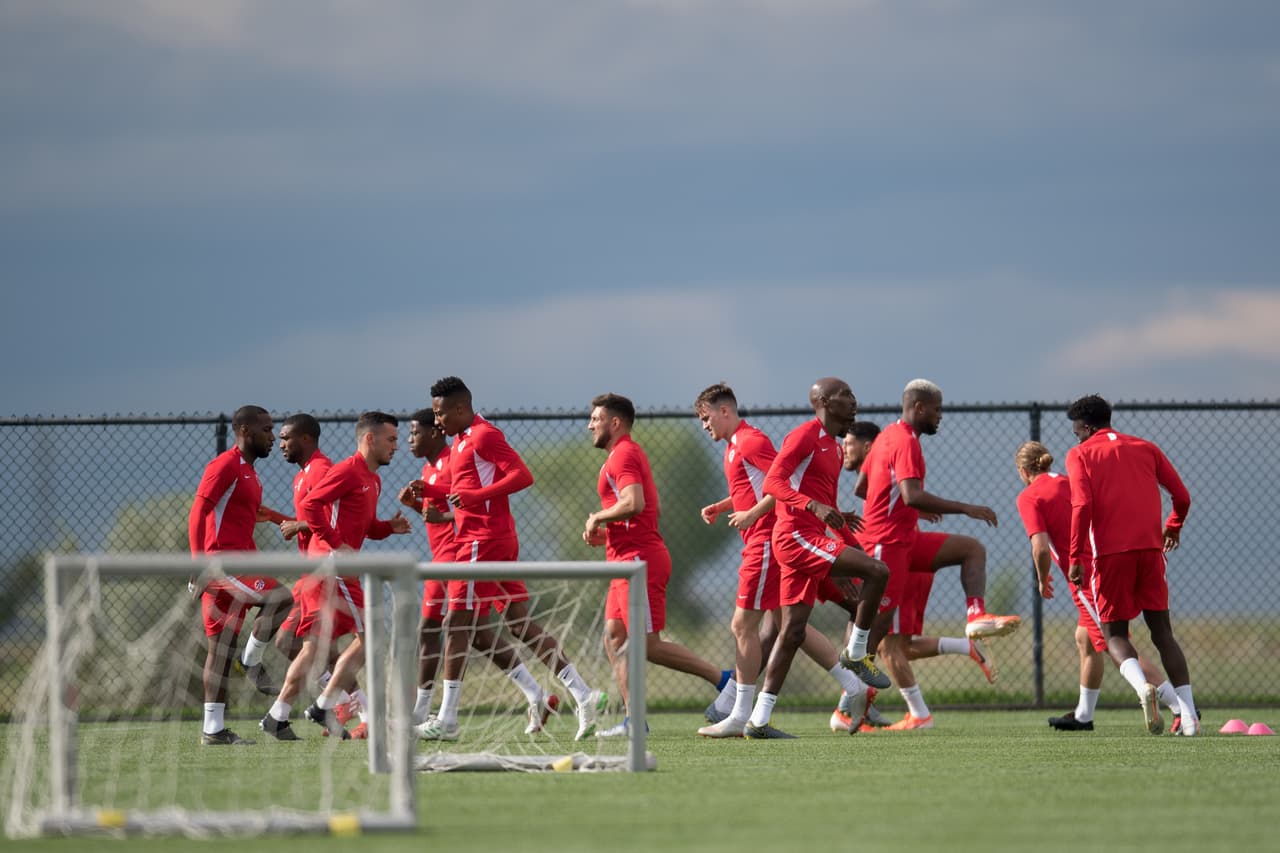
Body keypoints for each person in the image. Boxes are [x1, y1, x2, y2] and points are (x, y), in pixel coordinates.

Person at [419, 377, 606, 742]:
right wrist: (431, 490)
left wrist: (476, 497)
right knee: (518, 626)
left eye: (441, 414)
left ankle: (448, 718)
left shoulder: (484, 435)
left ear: (460, 408)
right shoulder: (460, 441)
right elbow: (465, 492)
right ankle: (584, 696)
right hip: (490, 540)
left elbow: (522, 475)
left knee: (456, 625)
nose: (436, 421)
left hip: (481, 541)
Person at [691, 383, 873, 738]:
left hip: (765, 541)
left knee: (742, 625)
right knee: (792, 627)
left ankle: (739, 713)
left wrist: (750, 516)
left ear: (724, 411)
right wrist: (726, 505)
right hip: (764, 538)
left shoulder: (751, 441)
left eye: (706, 417)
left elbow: (781, 485)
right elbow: (754, 487)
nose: (704, 425)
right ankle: (854, 686)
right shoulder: (733, 447)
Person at [852, 379, 1018, 731]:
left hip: (904, 537)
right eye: (937, 409)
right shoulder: (905, 442)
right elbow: (910, 495)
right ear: (920, 408)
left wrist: (903, 507)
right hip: (886, 543)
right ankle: (852, 695)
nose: (941, 416)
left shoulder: (886, 437)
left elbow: (862, 487)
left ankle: (976, 616)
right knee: (880, 632)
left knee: (971, 549)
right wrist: (965, 507)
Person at [739, 378, 890, 739]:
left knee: (790, 633)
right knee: (878, 572)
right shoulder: (804, 435)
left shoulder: (836, 449)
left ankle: (758, 722)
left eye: (853, 394)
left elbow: (830, 510)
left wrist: (850, 537)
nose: (853, 401)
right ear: (823, 401)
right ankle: (856, 654)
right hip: (794, 537)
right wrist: (812, 506)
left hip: (811, 538)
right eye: (845, 395)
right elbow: (773, 484)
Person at [584, 392, 736, 737]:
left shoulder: (623, 454)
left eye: (596, 418)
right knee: (614, 636)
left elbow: (634, 503)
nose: (591, 424)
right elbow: (653, 509)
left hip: (639, 561)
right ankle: (634, 720)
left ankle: (724, 681)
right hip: (624, 558)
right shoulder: (622, 456)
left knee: (646, 644)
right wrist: (609, 535)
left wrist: (598, 518)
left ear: (615, 422)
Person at [829, 423, 994, 733]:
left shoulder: (889, 453)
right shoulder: (878, 472)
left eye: (849, 442)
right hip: (886, 557)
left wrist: (915, 509)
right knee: (873, 637)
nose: (844, 449)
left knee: (885, 644)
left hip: (897, 560)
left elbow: (908, 497)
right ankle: (857, 703)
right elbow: (887, 497)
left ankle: (893, 710)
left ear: (868, 446)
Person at [260, 411, 412, 740]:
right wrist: (335, 544)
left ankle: (278, 714)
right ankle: (325, 706)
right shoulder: (346, 470)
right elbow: (313, 505)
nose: (396, 447)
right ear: (369, 439)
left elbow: (367, 526)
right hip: (333, 568)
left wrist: (390, 527)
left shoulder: (373, 478)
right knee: (371, 638)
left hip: (331, 568)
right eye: (391, 440)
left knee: (315, 647)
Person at [1015, 440, 1184, 732]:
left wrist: (1043, 579)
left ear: (1023, 470)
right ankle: (1084, 715)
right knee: (1086, 638)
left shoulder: (1030, 496)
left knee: (1115, 644)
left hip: (1085, 576)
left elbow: (1040, 548)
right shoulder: (1070, 482)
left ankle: (1179, 707)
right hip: (1111, 560)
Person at [1064, 395, 1199, 735]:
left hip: (1109, 555)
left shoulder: (1080, 454)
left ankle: (1143, 689)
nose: (1075, 436)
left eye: (1076, 430)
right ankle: (1190, 718)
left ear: (1086, 427)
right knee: (1162, 634)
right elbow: (1181, 497)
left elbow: (1081, 505)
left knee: (1115, 634)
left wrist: (1076, 556)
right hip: (1152, 551)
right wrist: (1174, 524)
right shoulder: (1146, 447)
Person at [188, 404, 294, 746]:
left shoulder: (250, 472)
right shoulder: (224, 465)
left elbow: (253, 511)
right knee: (280, 597)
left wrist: (285, 521)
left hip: (239, 566)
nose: (272, 437)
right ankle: (251, 662)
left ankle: (213, 730)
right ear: (245, 431)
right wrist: (198, 564)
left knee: (220, 650)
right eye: (266, 430)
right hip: (224, 566)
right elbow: (199, 509)